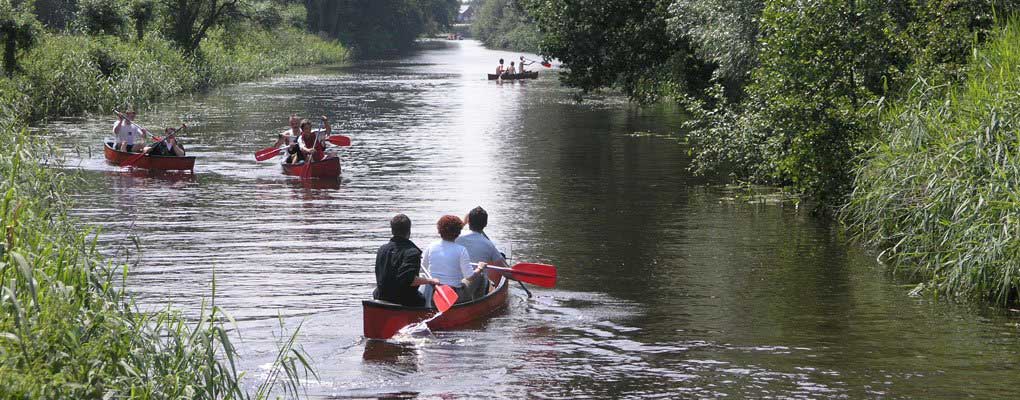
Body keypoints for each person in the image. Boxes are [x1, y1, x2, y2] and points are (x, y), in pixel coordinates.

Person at [374, 214, 439, 307]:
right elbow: (410, 280)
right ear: (409, 231)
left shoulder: (382, 249)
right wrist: (430, 281)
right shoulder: (412, 252)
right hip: (404, 301)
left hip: (381, 297)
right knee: (423, 298)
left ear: (392, 230)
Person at [421, 215, 486, 304]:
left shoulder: (431, 246)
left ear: (439, 230)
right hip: (455, 296)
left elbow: (423, 270)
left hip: (434, 292)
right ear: (458, 233)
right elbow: (470, 277)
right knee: (481, 276)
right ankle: (477, 306)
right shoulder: (461, 250)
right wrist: (480, 268)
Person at [456, 206, 506, 298]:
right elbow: (505, 272)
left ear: (469, 222)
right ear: (485, 224)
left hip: (454, 284)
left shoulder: (455, 236)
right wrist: (514, 275)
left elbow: (450, 233)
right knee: (483, 276)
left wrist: (463, 223)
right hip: (473, 287)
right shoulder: (489, 245)